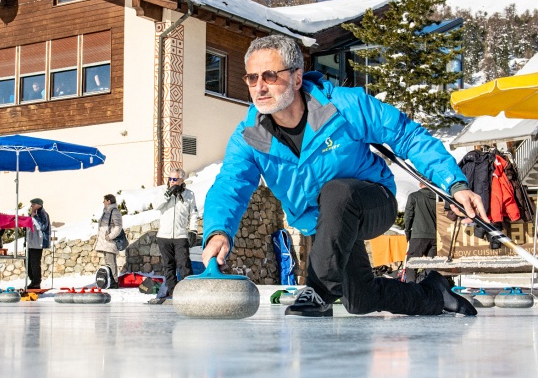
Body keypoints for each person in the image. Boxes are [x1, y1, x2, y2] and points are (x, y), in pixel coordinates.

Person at [201, 35, 488, 317]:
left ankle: (318, 291)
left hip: (370, 202)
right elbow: (231, 185)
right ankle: (434, 294)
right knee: (360, 300)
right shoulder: (249, 136)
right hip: (323, 223)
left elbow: (407, 135)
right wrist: (217, 232)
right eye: (252, 78)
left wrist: (455, 183)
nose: (260, 87)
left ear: (297, 78)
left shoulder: (343, 106)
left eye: (270, 76)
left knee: (336, 192)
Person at [151, 168, 198, 303]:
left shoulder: (189, 194)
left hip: (180, 236)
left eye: (174, 179)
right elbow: (155, 206)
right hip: (164, 236)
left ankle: (189, 293)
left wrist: (193, 230)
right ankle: (173, 293)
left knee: (184, 265)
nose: (171, 181)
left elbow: (193, 214)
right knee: (168, 266)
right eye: (170, 179)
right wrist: (168, 193)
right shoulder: (163, 192)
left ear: (182, 180)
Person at [403, 183, 437, 283]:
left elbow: (408, 216)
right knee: (431, 266)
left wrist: (407, 232)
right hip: (435, 236)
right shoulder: (438, 198)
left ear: (420, 184)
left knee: (411, 265)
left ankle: (411, 288)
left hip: (418, 235)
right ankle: (428, 288)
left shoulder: (414, 196)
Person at [94, 194, 123, 286]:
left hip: (110, 241)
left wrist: (110, 236)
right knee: (108, 263)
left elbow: (118, 227)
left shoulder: (114, 211)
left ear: (109, 201)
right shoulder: (106, 211)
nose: (103, 202)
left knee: (111, 262)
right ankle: (110, 281)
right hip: (105, 242)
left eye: (104, 201)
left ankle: (114, 282)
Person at [25, 198, 50, 290]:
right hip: (30, 242)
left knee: (35, 262)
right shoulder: (32, 214)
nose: (31, 206)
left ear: (38, 205)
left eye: (33, 204)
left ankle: (36, 282)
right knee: (27, 262)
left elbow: (43, 226)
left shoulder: (42, 214)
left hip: (38, 242)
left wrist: (34, 217)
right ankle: (33, 280)